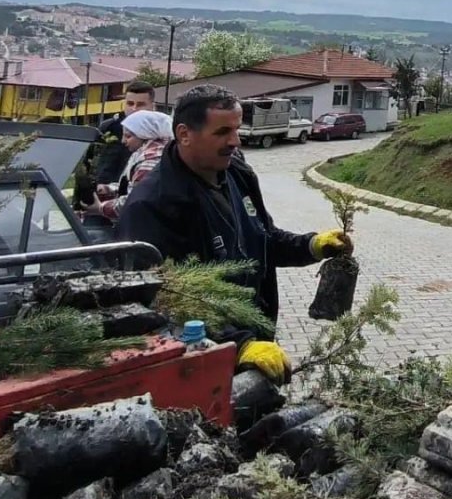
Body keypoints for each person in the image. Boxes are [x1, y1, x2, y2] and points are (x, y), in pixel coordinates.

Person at [117, 86, 353, 383]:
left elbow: (263, 238)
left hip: (257, 344)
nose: (235, 140)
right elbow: (163, 302)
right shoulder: (151, 206)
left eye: (237, 129)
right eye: (222, 132)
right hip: (201, 363)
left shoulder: (237, 175)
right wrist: (238, 344)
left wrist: (310, 246)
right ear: (184, 133)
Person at [94, 110, 173, 222]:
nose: (123, 141)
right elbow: (134, 184)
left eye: (128, 136)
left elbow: (135, 199)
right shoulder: (145, 153)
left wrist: (100, 208)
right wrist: (108, 188)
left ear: (145, 134)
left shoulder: (150, 159)